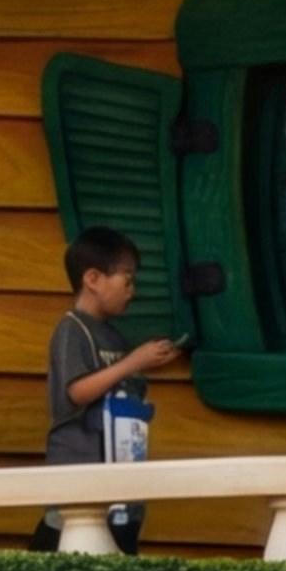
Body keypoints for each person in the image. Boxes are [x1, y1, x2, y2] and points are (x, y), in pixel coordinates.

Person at [45, 229, 174, 548]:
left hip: (119, 469)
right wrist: (133, 362)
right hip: (79, 472)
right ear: (92, 278)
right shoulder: (71, 330)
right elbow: (76, 392)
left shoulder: (113, 336)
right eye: (126, 280)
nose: (132, 290)